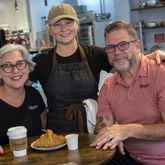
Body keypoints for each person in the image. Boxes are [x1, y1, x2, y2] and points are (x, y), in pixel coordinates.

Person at [29, 3, 165, 134]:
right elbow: (17, 87)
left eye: (68, 22)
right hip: (57, 134)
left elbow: (127, 63)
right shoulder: (41, 61)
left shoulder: (94, 54)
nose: (64, 29)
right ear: (50, 29)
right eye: (57, 24)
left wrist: (153, 56)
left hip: (93, 127)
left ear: (77, 24)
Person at [90, 20, 165, 165]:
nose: (117, 52)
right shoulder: (108, 86)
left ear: (137, 45)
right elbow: (102, 126)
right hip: (129, 157)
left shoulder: (160, 73)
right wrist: (110, 134)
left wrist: (128, 130)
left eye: (123, 45)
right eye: (110, 47)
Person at [0, 44, 47, 153]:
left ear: (28, 67)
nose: (15, 70)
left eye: (20, 63)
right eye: (7, 66)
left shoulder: (34, 95)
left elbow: (42, 129)